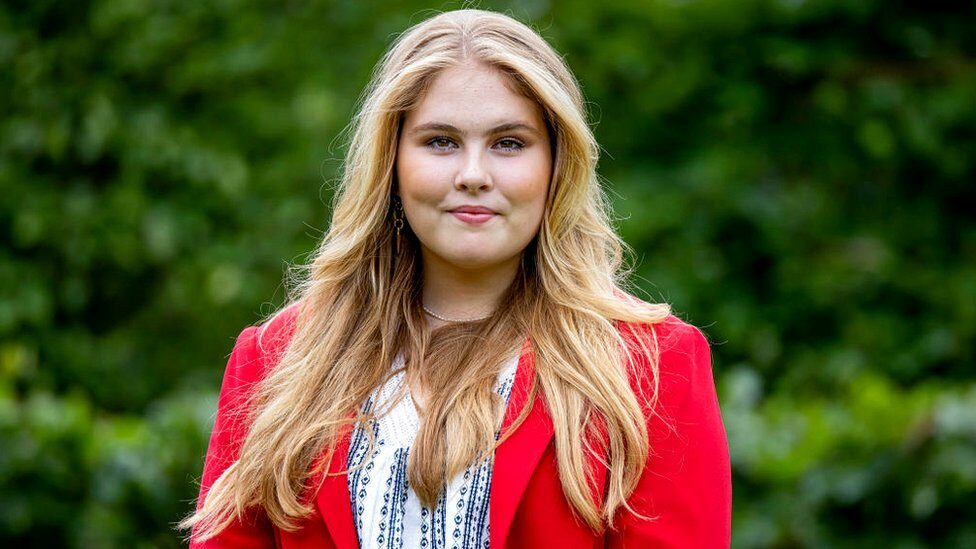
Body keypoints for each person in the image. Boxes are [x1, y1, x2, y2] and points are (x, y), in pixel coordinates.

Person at [181, 8, 731, 548]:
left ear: (557, 165)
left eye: (509, 143)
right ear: (391, 163)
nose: (473, 175)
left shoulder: (652, 369)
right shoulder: (278, 361)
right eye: (440, 141)